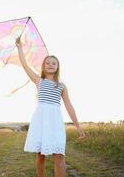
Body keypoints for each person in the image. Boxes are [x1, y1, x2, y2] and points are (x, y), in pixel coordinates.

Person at [15, 37, 86, 177]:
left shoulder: (62, 86)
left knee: (59, 156)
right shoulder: (38, 81)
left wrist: (78, 126)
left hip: (55, 121)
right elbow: (25, 65)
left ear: (58, 66)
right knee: (40, 156)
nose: (50, 64)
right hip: (41, 120)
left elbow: (69, 106)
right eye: (47, 63)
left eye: (54, 63)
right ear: (43, 66)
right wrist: (19, 48)